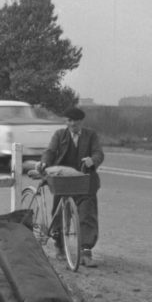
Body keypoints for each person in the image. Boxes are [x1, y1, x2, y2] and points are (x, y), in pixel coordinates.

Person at [39, 106, 104, 267]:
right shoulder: (59, 135)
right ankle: (59, 244)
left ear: (81, 121)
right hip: (63, 181)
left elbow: (98, 153)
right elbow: (50, 151)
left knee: (87, 212)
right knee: (59, 210)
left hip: (84, 180)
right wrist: (45, 162)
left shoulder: (91, 135)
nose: (72, 123)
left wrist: (92, 160)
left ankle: (86, 250)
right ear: (66, 121)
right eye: (69, 120)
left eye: (76, 120)